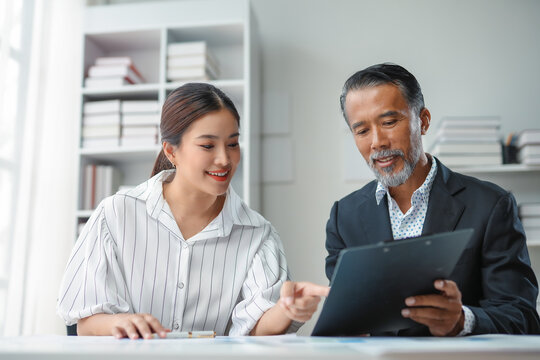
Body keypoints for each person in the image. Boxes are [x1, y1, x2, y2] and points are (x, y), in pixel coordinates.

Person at [57, 83, 329, 339]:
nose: (225, 159)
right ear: (171, 150)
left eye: (233, 143)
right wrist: (117, 323)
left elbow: (256, 327)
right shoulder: (116, 214)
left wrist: (287, 309)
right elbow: (84, 322)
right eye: (208, 145)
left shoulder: (258, 234)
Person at [326, 63, 540, 336]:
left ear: (423, 121)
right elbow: (346, 319)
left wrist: (463, 320)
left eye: (389, 122)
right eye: (362, 130)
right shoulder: (343, 217)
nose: (377, 142)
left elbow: (522, 317)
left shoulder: (491, 205)